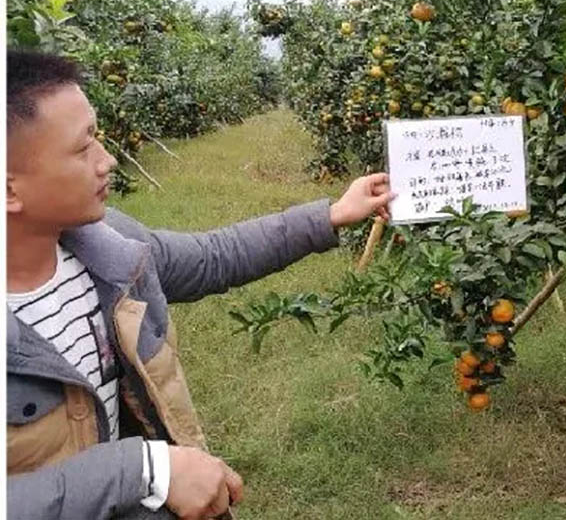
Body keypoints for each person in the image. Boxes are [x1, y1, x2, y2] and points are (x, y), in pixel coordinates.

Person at [6, 49, 395, 519]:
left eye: (99, 138)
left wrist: (331, 215)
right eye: (83, 147)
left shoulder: (111, 249)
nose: (107, 161)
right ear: (10, 189)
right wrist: (140, 469)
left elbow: (214, 257)